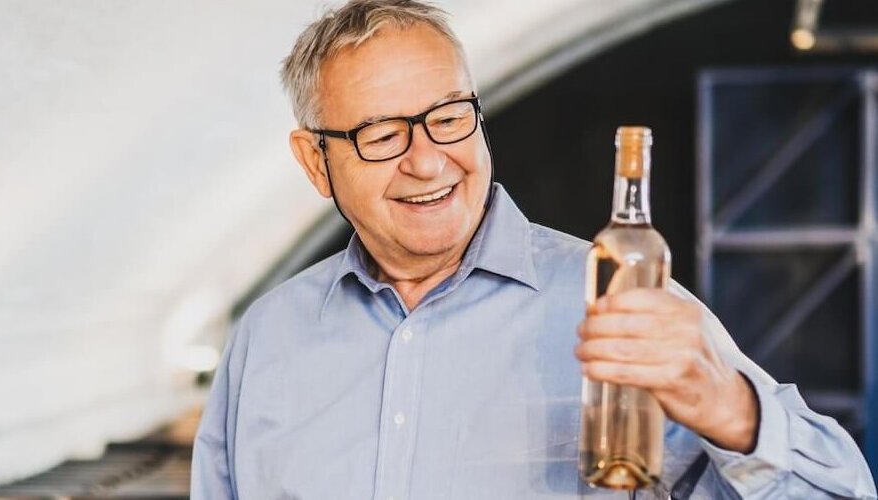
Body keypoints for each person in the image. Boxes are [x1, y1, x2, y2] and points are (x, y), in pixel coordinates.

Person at [190, 1, 877, 498]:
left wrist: (731, 408)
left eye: (449, 117)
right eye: (380, 135)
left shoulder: (620, 302)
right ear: (315, 162)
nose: (428, 163)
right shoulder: (266, 338)